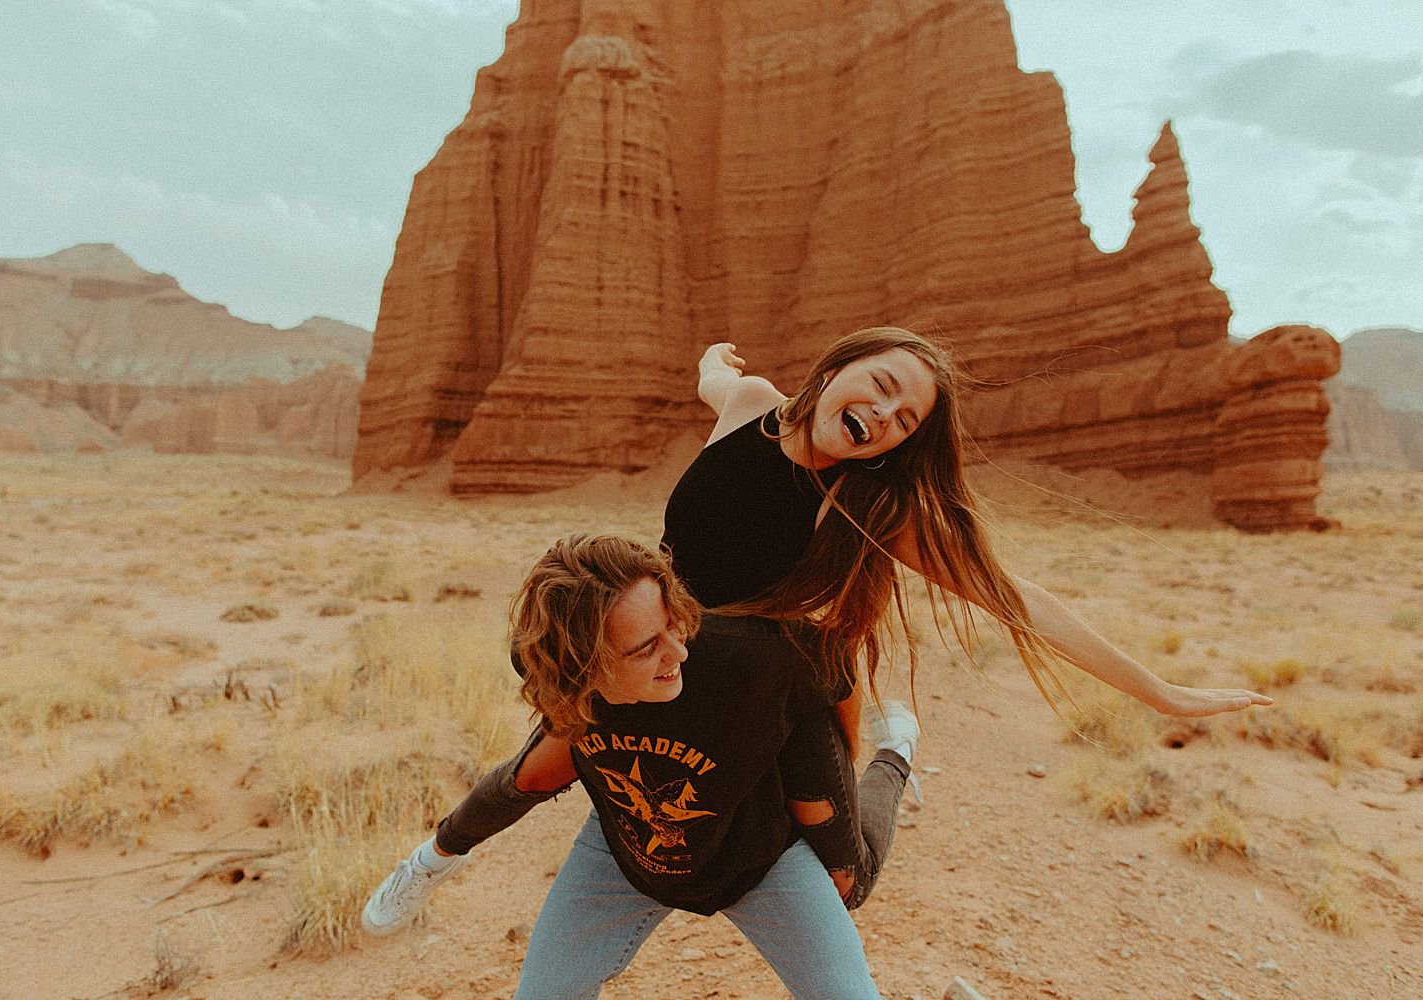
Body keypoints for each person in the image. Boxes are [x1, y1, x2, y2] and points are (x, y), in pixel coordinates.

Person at [363, 327, 1274, 934]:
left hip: (758, 673)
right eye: (878, 388)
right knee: (541, 764)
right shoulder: (750, 405)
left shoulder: (872, 505)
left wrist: (1159, 691)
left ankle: (895, 756)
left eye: (902, 420)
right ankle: (429, 862)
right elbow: (716, 378)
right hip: (654, 649)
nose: (881, 417)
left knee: (844, 857)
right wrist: (713, 359)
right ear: (834, 369)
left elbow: (1015, 596)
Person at [497, 534, 888, 998]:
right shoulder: (548, 663)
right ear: (579, 663)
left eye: (672, 628)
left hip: (760, 852)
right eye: (645, 647)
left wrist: (854, 750)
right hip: (630, 845)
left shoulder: (741, 654)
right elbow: (522, 776)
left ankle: (897, 749)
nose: (678, 652)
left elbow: (832, 657)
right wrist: (436, 856)